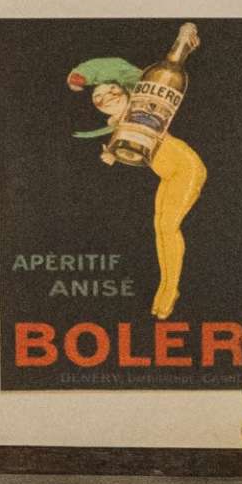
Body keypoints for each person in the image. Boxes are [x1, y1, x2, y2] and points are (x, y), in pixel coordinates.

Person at [67, 24, 205, 320]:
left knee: (167, 227)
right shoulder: (118, 124)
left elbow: (122, 70)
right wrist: (109, 154)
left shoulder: (143, 105)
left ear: (127, 91)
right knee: (160, 227)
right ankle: (167, 286)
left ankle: (169, 289)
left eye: (111, 91)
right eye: (98, 99)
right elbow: (123, 149)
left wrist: (83, 75)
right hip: (169, 174)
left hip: (186, 167)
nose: (105, 99)